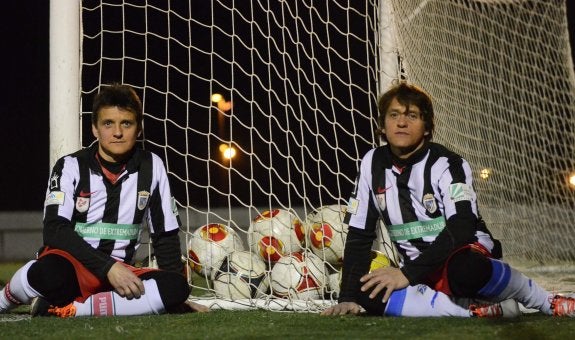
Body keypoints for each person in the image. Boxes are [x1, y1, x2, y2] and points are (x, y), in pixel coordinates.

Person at [322, 81, 575, 317]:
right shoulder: (371, 163)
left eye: (411, 116)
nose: (401, 123)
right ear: (382, 124)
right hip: (416, 268)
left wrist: (407, 275)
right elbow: (359, 233)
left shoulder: (448, 164)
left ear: (428, 126)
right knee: (365, 291)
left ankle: (541, 298)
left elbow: (462, 228)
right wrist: (346, 297)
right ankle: (474, 311)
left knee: (465, 271)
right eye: (394, 115)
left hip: (460, 254)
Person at [0, 83, 208, 317]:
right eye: (108, 123)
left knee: (176, 287)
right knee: (49, 274)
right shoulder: (70, 166)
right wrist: (108, 267)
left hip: (122, 273)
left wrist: (176, 299)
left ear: (138, 129)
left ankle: (66, 309)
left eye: (126, 123)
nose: (117, 132)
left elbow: (165, 236)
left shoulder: (152, 166)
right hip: (73, 266)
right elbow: (54, 230)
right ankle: (3, 300)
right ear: (95, 129)